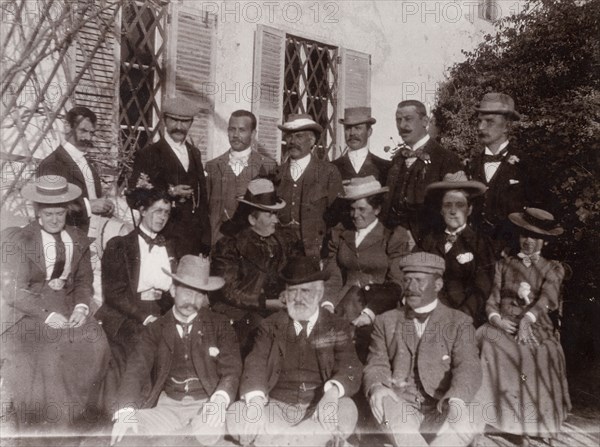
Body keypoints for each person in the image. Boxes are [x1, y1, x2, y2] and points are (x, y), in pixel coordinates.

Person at [1, 175, 112, 433]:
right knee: (51, 352)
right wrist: (47, 315)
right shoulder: (21, 239)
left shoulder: (77, 238)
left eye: (59, 213)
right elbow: (14, 290)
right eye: (48, 214)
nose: (54, 219)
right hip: (28, 312)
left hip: (69, 305)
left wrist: (82, 307)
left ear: (66, 211)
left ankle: (82, 421)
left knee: (97, 342)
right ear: (38, 211)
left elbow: (84, 282)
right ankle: (49, 430)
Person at [226, 257, 362, 447]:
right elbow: (255, 364)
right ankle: (307, 441)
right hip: (275, 408)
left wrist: (331, 395)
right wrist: (256, 404)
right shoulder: (270, 325)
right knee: (237, 414)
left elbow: (350, 366)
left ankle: (277, 442)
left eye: (305, 291)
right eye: (292, 292)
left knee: (347, 409)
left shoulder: (337, 325)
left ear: (320, 292)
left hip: (319, 409)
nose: (298, 299)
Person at [110, 255, 242, 446]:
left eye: (199, 294)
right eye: (187, 293)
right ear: (173, 290)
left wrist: (219, 400)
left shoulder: (220, 324)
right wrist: (126, 412)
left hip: (206, 406)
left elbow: (232, 369)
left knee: (206, 433)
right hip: (167, 408)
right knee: (127, 433)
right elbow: (136, 371)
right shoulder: (155, 329)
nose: (193, 301)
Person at [364, 252, 482, 447]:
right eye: (407, 281)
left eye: (419, 281)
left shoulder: (459, 322)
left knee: (474, 412)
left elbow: (468, 366)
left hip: (442, 406)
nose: (410, 288)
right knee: (385, 404)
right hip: (401, 406)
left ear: (438, 285)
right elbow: (376, 363)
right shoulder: (385, 321)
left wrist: (457, 401)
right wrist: (377, 387)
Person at [477, 208, 571, 445]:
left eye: (535, 237)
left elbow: (547, 299)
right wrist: (496, 319)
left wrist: (527, 322)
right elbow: (492, 299)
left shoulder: (552, 268)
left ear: (544, 242)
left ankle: (528, 423)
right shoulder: (505, 264)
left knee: (534, 351)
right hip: (505, 324)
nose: (528, 241)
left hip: (537, 326)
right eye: (524, 236)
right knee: (485, 339)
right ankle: (493, 418)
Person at [211, 178, 301, 356]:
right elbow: (228, 290)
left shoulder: (283, 240)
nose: (276, 220)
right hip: (241, 313)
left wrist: (287, 291)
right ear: (252, 218)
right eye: (270, 214)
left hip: (276, 309)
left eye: (276, 214)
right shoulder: (230, 245)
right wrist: (266, 303)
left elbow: (293, 272)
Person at [96, 188, 176, 380]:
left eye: (166, 212)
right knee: (143, 341)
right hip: (128, 313)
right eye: (157, 211)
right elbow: (114, 294)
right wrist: (145, 317)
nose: (162, 217)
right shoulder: (120, 245)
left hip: (160, 309)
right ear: (142, 210)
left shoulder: (170, 246)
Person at [128, 96, 210, 258]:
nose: (179, 127)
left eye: (185, 122)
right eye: (174, 120)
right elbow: (134, 196)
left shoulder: (195, 154)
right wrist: (169, 192)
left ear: (191, 123)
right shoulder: (149, 154)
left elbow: (203, 200)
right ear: (164, 120)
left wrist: (205, 240)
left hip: (192, 240)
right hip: (162, 237)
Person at [323, 176, 412, 322]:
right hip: (341, 304)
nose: (355, 215)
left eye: (361, 209)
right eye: (352, 209)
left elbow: (397, 282)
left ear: (377, 209)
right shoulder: (340, 234)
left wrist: (370, 312)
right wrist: (327, 303)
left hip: (379, 308)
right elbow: (334, 275)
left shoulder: (392, 237)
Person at [467, 92, 540, 254]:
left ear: (507, 126)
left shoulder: (525, 165)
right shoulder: (471, 165)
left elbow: (538, 212)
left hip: (512, 252)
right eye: (479, 121)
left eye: (489, 122)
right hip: (475, 252)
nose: (480, 127)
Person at [421, 171, 496, 327]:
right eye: (448, 205)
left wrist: (460, 317)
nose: (453, 211)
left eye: (460, 205)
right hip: (431, 315)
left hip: (466, 318)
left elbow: (482, 288)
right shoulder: (430, 241)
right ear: (441, 210)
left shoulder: (480, 243)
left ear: (469, 209)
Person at [382, 100, 462, 246]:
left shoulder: (446, 159)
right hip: (393, 243)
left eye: (408, 119)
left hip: (428, 244)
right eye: (398, 120)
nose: (402, 126)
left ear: (425, 121)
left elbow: (453, 210)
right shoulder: (397, 159)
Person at [274, 114, 343, 260]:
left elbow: (338, 219)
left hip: (315, 252)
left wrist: (330, 253)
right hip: (281, 253)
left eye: (298, 136)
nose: (292, 141)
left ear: (312, 140)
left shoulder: (328, 172)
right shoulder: (277, 173)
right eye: (289, 137)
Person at [37, 106, 115, 230]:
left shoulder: (86, 162)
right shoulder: (52, 164)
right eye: (83, 131)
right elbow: (52, 207)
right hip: (70, 236)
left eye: (91, 133)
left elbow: (92, 196)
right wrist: (90, 206)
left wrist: (105, 206)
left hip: (94, 232)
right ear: (68, 127)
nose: (88, 138)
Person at [206, 110, 277, 245]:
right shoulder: (212, 166)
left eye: (242, 130)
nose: (236, 135)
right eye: (232, 129)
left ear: (253, 133)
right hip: (218, 244)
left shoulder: (268, 166)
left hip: (253, 245)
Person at [333, 107, 390, 183]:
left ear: (369, 132)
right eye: (348, 128)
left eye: (358, 128)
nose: (352, 133)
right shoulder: (332, 168)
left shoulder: (385, 167)